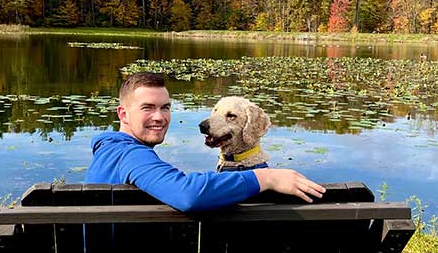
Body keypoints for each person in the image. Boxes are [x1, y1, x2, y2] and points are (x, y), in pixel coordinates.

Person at [85, 72, 325, 212]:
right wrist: (267, 177)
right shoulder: (132, 156)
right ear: (123, 114)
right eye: (148, 108)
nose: (159, 117)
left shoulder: (108, 151)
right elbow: (188, 194)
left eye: (165, 107)